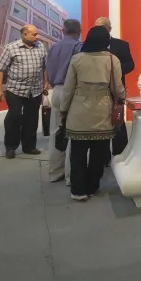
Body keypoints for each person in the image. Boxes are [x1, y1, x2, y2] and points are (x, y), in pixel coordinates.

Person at [60, 26, 125, 201]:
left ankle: (78, 190)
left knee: (77, 154)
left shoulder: (77, 59)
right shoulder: (112, 60)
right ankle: (92, 186)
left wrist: (63, 111)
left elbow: (68, 88)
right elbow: (118, 87)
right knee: (99, 153)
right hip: (102, 110)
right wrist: (122, 98)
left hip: (78, 110)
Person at [0, 24, 49, 159]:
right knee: (14, 117)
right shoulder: (11, 48)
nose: (37, 37)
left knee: (32, 119)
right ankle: (11, 147)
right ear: (24, 34)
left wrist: (45, 82)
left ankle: (29, 147)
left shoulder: (40, 47)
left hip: (35, 90)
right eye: (34, 34)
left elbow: (44, 66)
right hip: (15, 90)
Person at [45, 19, 82, 184]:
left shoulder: (53, 47)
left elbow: (48, 69)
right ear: (80, 31)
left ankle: (55, 172)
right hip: (73, 92)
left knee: (56, 132)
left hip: (57, 90)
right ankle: (70, 175)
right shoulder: (79, 47)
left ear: (63, 30)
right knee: (73, 133)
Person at [95, 17, 134, 164]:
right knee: (100, 124)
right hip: (97, 91)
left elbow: (130, 64)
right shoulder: (91, 46)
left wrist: (115, 70)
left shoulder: (121, 45)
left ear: (109, 29)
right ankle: (103, 157)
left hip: (116, 89)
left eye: (102, 27)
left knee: (118, 121)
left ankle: (120, 154)